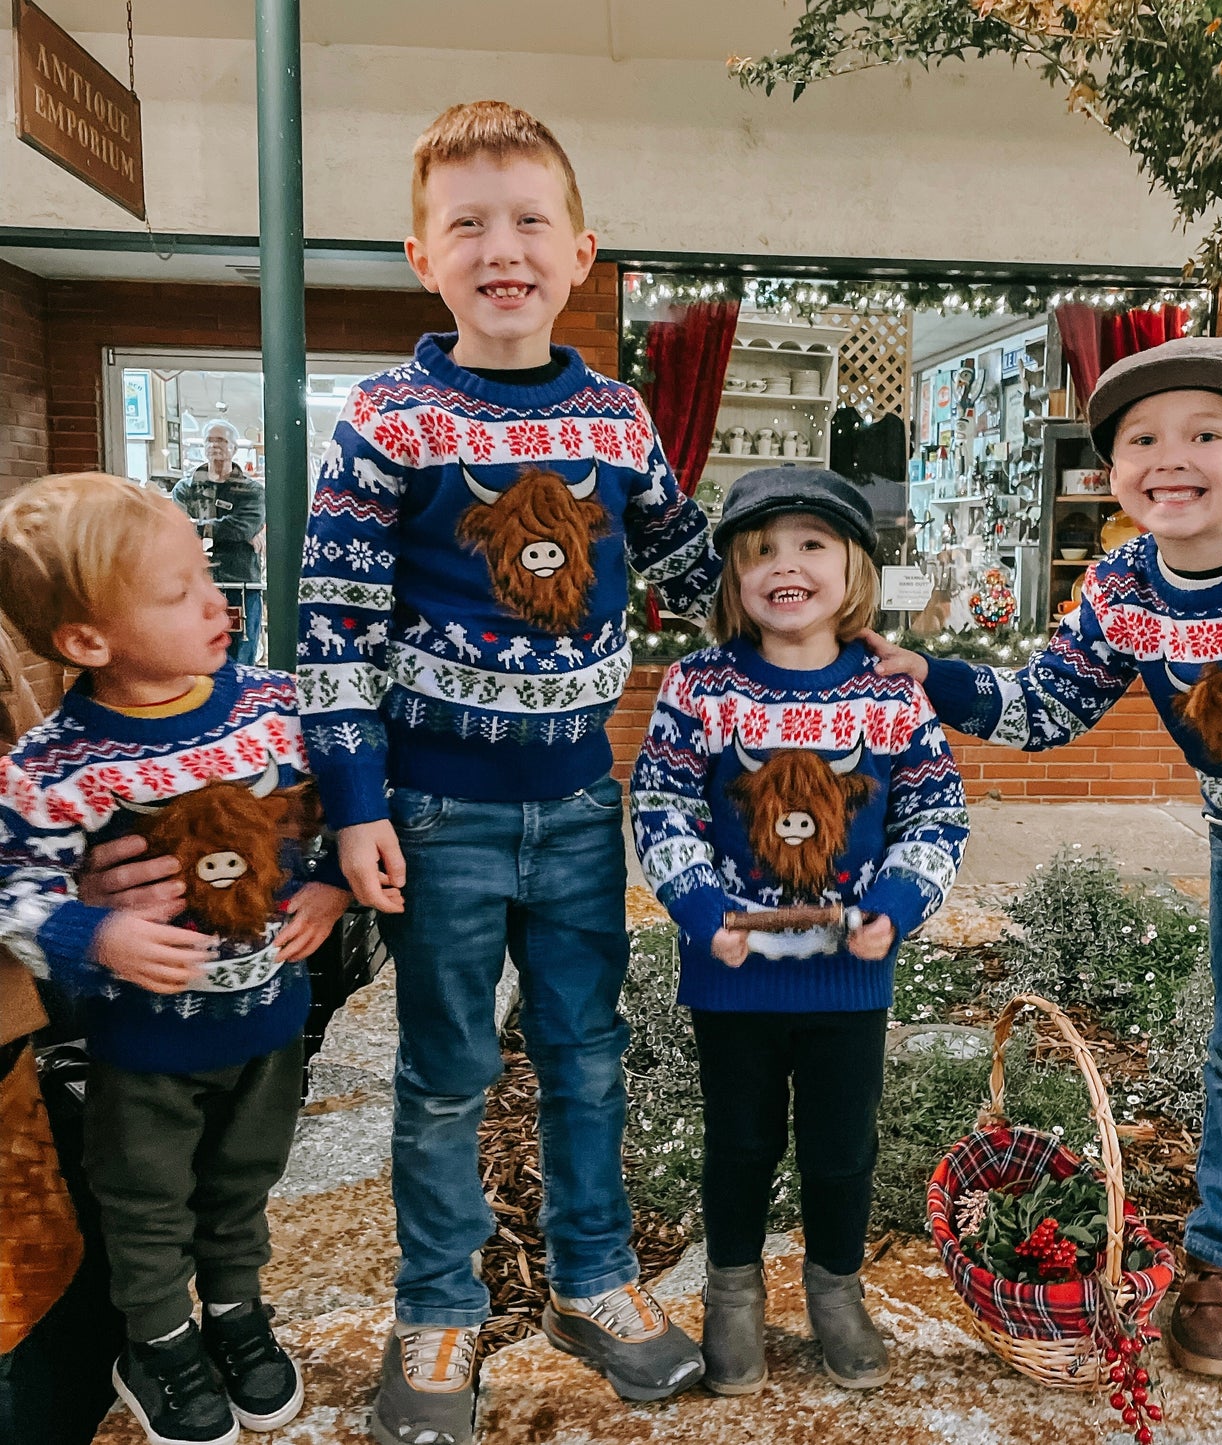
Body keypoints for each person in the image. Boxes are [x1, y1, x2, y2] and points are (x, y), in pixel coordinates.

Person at [865, 333, 1222, 1382]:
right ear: (1112, 470)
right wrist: (934, 677)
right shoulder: (1122, 587)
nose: (1167, 456)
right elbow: (1048, 705)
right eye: (1139, 438)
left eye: (1203, 433)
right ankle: (1221, 1257)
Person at [294, 101, 721, 1445]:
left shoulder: (616, 416)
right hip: (436, 811)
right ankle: (440, 1302)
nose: (503, 247)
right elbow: (331, 629)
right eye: (467, 223)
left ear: (580, 251)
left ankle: (595, 1278)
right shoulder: (388, 420)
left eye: (530, 220)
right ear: (420, 253)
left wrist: (813, 647)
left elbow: (692, 564)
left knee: (588, 1052)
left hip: (580, 802)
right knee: (444, 1071)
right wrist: (355, 801)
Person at [0, 472, 352, 1445]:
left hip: (268, 1022)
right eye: (179, 590)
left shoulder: (273, 708)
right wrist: (89, 930)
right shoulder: (56, 764)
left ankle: (236, 1311)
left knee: (243, 1181)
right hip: (142, 1047)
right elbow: (11, 883)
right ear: (86, 640)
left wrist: (330, 880)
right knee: (147, 1200)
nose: (219, 600)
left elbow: (344, 797)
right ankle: (156, 1338)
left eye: (210, 572)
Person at [630, 468, 969, 1394]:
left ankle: (835, 1289)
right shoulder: (697, 687)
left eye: (811, 545)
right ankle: (730, 1295)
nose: (786, 566)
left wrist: (895, 907)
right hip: (733, 972)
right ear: (733, 577)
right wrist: (701, 912)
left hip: (847, 977)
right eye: (761, 551)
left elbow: (937, 817)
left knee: (839, 1144)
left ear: (853, 566)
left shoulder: (893, 693)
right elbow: (660, 807)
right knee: (738, 1141)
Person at [172, 420, 266, 666]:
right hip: (194, 586)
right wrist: (226, 529)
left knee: (241, 659)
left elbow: (244, 526)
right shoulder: (186, 489)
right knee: (195, 658)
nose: (215, 446)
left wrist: (201, 527)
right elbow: (178, 529)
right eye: (210, 441)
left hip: (241, 586)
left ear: (234, 448)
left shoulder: (251, 491)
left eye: (221, 441)